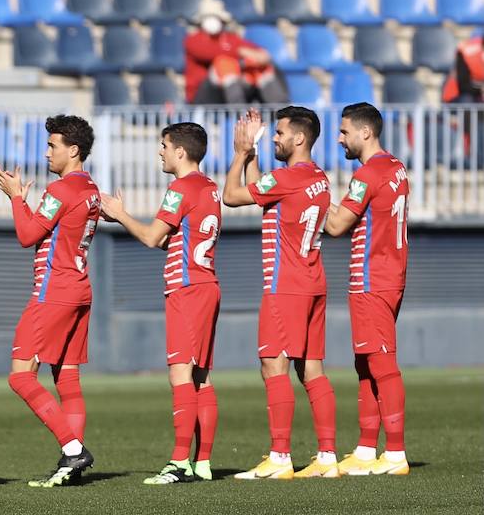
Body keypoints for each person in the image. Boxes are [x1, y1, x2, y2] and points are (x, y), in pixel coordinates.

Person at [99, 122, 222, 485]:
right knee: (201, 376)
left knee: (180, 373)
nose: (160, 152)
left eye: (164, 145)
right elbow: (181, 239)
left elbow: (154, 238)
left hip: (187, 288)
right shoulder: (210, 188)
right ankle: (202, 463)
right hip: (206, 283)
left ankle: (179, 462)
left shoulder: (180, 187)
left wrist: (119, 215)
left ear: (180, 152)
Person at [222, 106, 337, 480]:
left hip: (285, 285)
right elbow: (265, 193)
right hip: (312, 280)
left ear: (299, 138)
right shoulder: (317, 177)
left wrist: (240, 151)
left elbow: (232, 196)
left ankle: (280, 457)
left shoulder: (288, 178)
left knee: (273, 364)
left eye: (280, 133)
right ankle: (326, 457)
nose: (275, 138)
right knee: (312, 369)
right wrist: (255, 155)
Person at [0, 114, 100, 488]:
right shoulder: (91, 189)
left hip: (54, 291)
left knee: (20, 376)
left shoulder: (62, 190)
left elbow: (27, 234)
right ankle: (72, 465)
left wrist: (17, 197)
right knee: (67, 377)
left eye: (53, 146)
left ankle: (73, 449)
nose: (47, 153)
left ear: (74, 150)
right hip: (80, 288)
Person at [323, 103, 411, 476]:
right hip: (391, 274)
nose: (339, 138)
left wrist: (310, 197)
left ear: (365, 133)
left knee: (381, 364)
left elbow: (336, 225)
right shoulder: (396, 168)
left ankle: (394, 453)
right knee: (366, 364)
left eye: (344, 132)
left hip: (372, 277)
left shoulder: (367, 174)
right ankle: (364, 449)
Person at [184, 7, 289, 105]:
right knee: (224, 63)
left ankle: (280, 110)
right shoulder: (193, 40)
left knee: (258, 67)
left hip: (234, 88)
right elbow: (208, 54)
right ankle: (239, 111)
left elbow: (255, 51)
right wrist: (240, 52)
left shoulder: (230, 38)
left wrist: (261, 56)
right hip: (203, 93)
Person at [441, 30, 483, 103]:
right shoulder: (465, 53)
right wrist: (481, 89)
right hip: (459, 95)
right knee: (467, 100)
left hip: (477, 94)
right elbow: (463, 86)